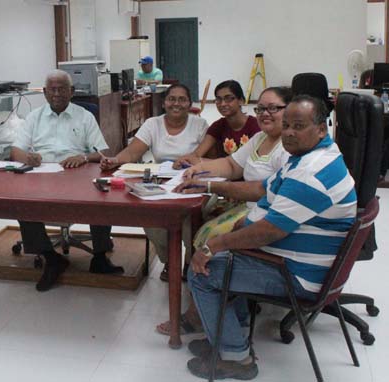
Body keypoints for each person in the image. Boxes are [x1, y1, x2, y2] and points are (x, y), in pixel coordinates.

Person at [184, 95, 357, 380]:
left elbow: (268, 231)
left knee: (203, 272)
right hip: (294, 262)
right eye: (286, 124)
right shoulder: (309, 157)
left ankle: (236, 358)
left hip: (298, 275)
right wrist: (210, 187)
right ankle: (231, 337)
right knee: (227, 258)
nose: (288, 131)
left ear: (322, 128)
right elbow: (262, 190)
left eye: (298, 126)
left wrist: (212, 245)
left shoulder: (310, 173)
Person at [155, 86, 293, 336]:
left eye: (274, 108)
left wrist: (211, 184)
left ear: (290, 111)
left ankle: (200, 311)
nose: (265, 114)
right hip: (248, 205)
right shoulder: (261, 138)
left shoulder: (288, 145)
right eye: (261, 108)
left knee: (209, 235)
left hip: (269, 215)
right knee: (201, 219)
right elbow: (231, 164)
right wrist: (199, 169)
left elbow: (266, 192)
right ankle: (229, 306)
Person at [10, 70, 121, 292]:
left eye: (62, 89)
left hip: (77, 173)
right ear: (44, 92)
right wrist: (28, 158)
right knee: (21, 202)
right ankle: (51, 257)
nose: (57, 93)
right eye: (52, 89)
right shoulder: (34, 117)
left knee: (101, 195)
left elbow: (103, 152)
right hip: (42, 173)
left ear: (72, 92)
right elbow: (16, 152)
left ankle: (99, 257)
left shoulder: (84, 116)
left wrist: (83, 157)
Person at [100, 84, 209, 281]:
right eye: (172, 99)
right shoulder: (153, 124)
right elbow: (133, 151)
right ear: (164, 102)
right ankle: (168, 261)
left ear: (189, 103)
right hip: (161, 183)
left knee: (189, 219)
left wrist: (191, 161)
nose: (176, 103)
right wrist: (115, 160)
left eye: (182, 99)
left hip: (190, 182)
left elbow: (206, 156)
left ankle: (187, 262)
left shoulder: (199, 125)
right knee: (150, 216)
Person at [174, 80, 260, 168]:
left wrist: (203, 161)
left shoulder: (256, 126)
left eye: (228, 98)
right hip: (223, 175)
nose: (222, 104)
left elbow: (253, 163)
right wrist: (184, 160)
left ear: (241, 101)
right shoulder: (218, 126)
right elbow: (197, 154)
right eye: (218, 99)